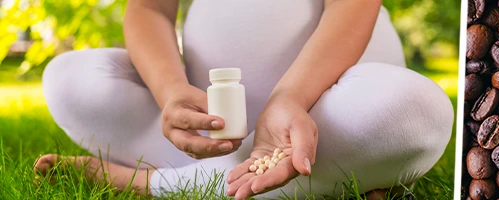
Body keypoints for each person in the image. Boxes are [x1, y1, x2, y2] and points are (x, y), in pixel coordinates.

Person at [33, 0, 453, 199]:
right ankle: (332, 182)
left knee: (416, 110)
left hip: (331, 103)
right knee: (68, 78)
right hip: (213, 120)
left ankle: (152, 184)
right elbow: (148, 9)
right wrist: (171, 92)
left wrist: (291, 97)